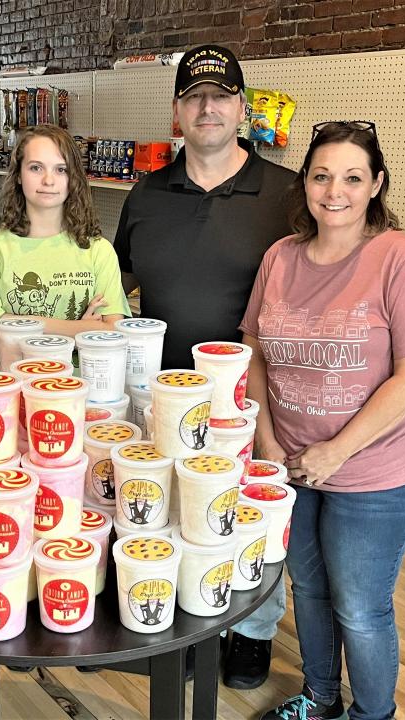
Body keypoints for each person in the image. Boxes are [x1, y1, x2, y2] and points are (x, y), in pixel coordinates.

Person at [241, 121, 405, 720]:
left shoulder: (398, 257)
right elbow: (253, 350)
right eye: (322, 175)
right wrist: (269, 439)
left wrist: (337, 450)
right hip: (292, 467)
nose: (336, 190)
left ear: (376, 184)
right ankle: (321, 698)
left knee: (360, 608)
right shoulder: (279, 257)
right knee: (306, 590)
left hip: (376, 477)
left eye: (353, 178)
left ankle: (372, 715)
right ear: (305, 183)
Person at [113, 44, 295, 689]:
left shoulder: (286, 195)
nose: (207, 107)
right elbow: (118, 286)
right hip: (161, 398)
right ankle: (186, 620)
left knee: (248, 511)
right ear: (176, 112)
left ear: (242, 108)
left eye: (220, 96)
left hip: (253, 400)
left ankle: (251, 630)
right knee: (178, 511)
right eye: (194, 96)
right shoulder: (147, 193)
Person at [0, 124, 130, 353]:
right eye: (35, 168)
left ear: (73, 178)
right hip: (17, 386)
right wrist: (80, 329)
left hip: (83, 386)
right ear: (19, 175)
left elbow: (112, 330)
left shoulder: (97, 250)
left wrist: (9, 322)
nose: (48, 180)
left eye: (61, 169)